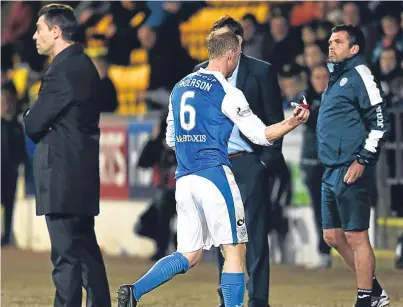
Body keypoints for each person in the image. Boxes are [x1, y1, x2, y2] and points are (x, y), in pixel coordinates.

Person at [116, 29, 309, 307]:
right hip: (215, 177)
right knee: (234, 250)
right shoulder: (228, 92)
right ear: (231, 54)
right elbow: (260, 135)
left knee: (189, 254)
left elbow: (170, 139)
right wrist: (293, 122)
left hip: (184, 180)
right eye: (238, 54)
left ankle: (134, 291)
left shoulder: (180, 87)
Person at [22, 4, 111, 307]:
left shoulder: (62, 70)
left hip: (61, 174)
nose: (35, 36)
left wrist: (30, 113)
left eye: (40, 29)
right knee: (86, 250)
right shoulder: (84, 64)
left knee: (66, 257)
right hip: (80, 172)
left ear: (56, 32)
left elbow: (34, 123)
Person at [194, 16, 284, 307]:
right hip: (216, 166)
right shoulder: (199, 73)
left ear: (238, 42)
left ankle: (258, 301)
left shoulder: (260, 71)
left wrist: (263, 164)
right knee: (223, 238)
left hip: (248, 164)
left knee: (254, 236)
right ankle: (228, 300)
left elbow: (274, 119)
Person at [317, 24, 391, 307]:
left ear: (354, 48)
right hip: (330, 169)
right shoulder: (337, 77)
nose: (331, 46)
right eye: (330, 41)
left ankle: (365, 300)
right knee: (333, 236)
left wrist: (362, 160)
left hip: (350, 166)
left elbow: (381, 123)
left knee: (356, 236)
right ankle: (374, 291)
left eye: (337, 41)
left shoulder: (360, 75)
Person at [301, 64, 331, 269]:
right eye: (316, 76)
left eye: (324, 76)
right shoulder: (305, 99)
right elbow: (306, 122)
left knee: (335, 206)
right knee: (317, 208)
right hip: (312, 162)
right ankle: (323, 251)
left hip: (332, 162)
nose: (320, 80)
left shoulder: (337, 97)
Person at [1, 81, 25, 247]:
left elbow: (21, 149)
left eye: (7, 101)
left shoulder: (16, 125)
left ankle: (7, 236)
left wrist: (21, 166)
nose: (5, 105)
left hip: (11, 171)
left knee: (9, 205)